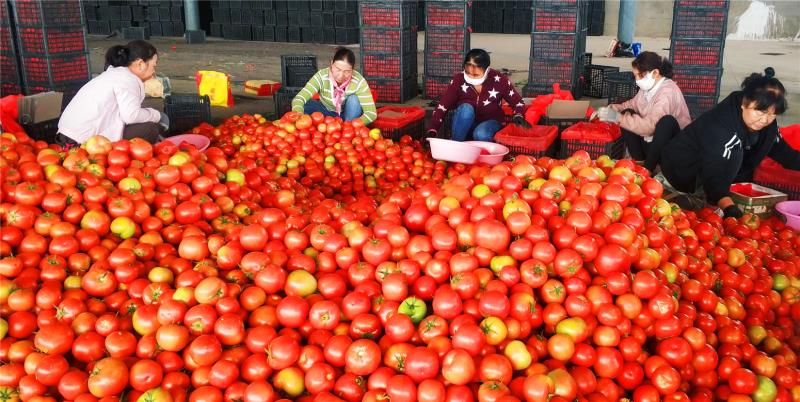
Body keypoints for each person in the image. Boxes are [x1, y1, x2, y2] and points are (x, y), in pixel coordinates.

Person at [659, 68, 800, 218]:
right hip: (682, 170)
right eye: (760, 112)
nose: (765, 120)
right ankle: (698, 198)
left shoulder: (766, 123)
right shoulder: (721, 127)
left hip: (715, 170)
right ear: (744, 103)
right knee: (735, 152)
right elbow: (715, 174)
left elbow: (784, 153)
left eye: (772, 114)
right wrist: (729, 208)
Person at [57, 40, 169, 147]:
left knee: (144, 122)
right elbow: (131, 116)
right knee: (150, 129)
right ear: (140, 64)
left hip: (64, 137)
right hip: (80, 142)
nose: (154, 71)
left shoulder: (114, 74)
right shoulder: (128, 79)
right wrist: (158, 115)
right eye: (153, 66)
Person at [594, 51, 691, 174]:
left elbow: (650, 128)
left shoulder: (668, 92)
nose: (637, 80)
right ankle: (639, 162)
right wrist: (609, 109)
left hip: (671, 149)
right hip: (652, 143)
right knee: (627, 112)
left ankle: (647, 170)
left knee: (666, 122)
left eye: (640, 75)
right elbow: (630, 105)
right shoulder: (647, 89)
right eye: (635, 76)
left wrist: (618, 118)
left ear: (655, 73)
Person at [427, 49, 527, 142]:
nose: (471, 76)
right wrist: (432, 129)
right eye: (467, 71)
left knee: (481, 133)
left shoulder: (499, 79)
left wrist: (518, 114)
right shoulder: (458, 80)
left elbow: (518, 102)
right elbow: (443, 106)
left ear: (487, 70)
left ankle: (482, 151)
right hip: (464, 126)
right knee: (466, 108)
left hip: (490, 124)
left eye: (476, 74)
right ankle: (456, 145)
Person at [291, 48, 377, 125]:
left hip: (348, 116)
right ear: (332, 63)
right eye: (338, 69)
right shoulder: (321, 76)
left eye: (347, 71)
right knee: (306, 104)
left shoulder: (359, 81)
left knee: (354, 99)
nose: (341, 75)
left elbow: (371, 113)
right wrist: (300, 117)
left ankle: (345, 126)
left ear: (353, 69)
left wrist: (356, 124)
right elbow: (299, 99)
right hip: (325, 112)